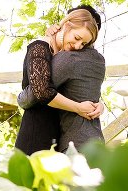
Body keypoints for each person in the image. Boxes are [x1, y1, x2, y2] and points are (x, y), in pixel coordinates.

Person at [13, 7, 102, 155]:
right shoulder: (40, 48)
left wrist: (98, 105)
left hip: (58, 136)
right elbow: (42, 92)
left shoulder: (66, 57)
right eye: (77, 38)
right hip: (37, 132)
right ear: (66, 25)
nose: (78, 46)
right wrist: (78, 108)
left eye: (83, 44)